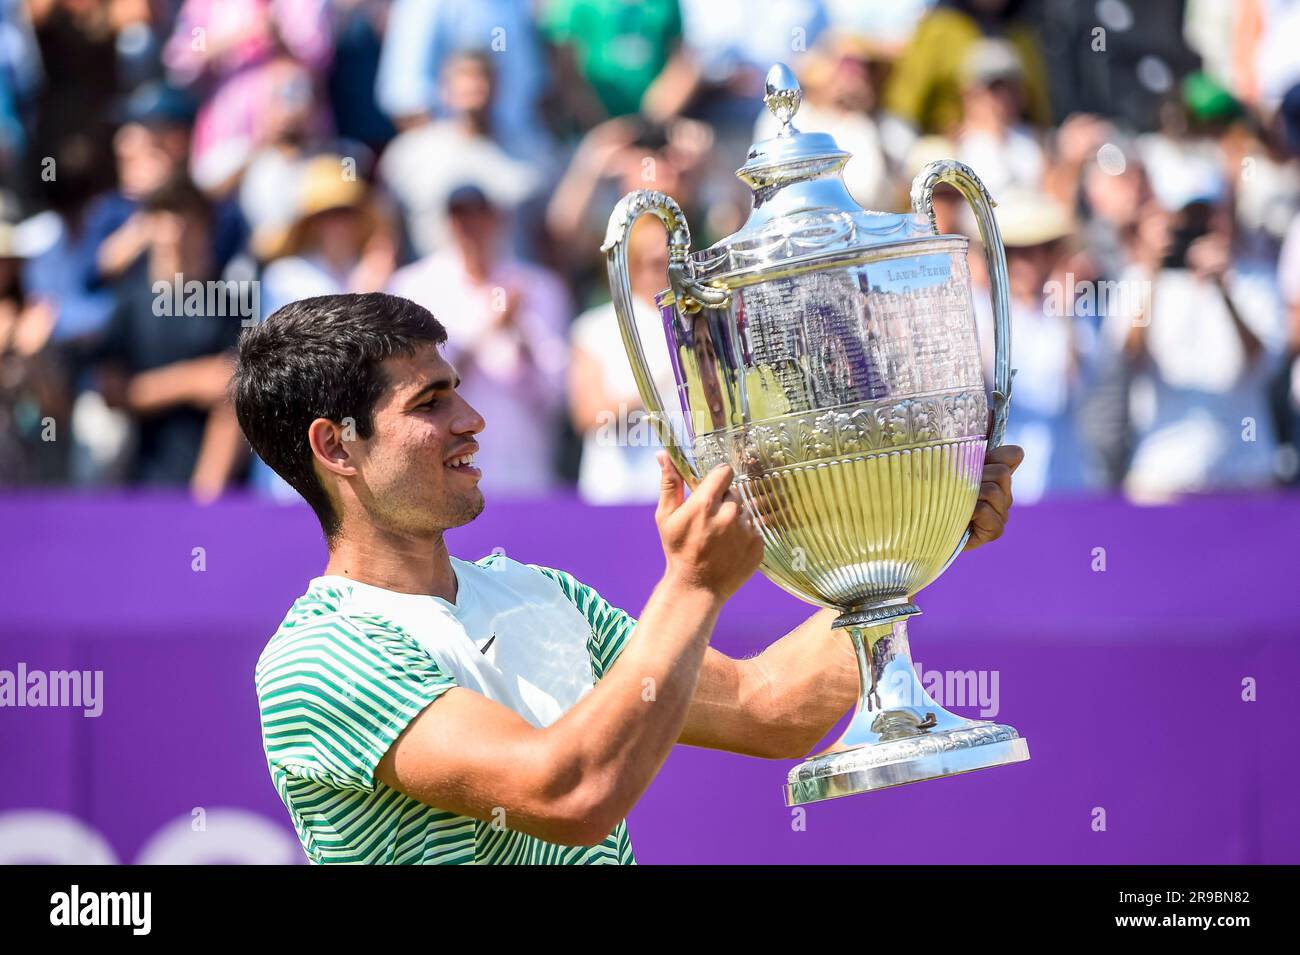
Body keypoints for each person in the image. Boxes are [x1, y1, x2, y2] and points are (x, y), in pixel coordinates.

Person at [233, 291, 1023, 865]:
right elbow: (565, 794)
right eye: (430, 402)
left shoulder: (542, 592)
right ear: (336, 446)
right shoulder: (319, 658)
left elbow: (768, 707)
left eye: (459, 390)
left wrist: (926, 531)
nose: (471, 419)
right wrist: (693, 587)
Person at [389, 185, 569, 496]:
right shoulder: (413, 286)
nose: (472, 226)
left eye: (480, 214)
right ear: (448, 222)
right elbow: (414, 384)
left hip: (526, 469)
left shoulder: (541, 287)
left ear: (498, 219)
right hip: (441, 471)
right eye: (461, 216)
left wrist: (523, 335)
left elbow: (558, 394)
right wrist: (489, 326)